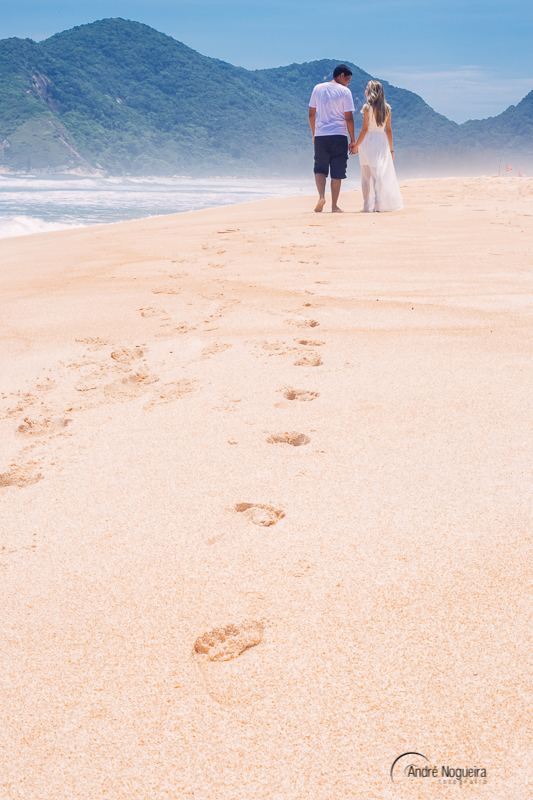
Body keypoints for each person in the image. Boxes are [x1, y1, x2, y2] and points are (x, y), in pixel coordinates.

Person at [308, 65, 356, 213]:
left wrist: (314, 134)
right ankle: (334, 206)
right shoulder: (345, 92)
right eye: (348, 79)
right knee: (337, 172)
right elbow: (348, 118)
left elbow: (311, 114)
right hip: (339, 135)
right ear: (341, 75)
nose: (348, 83)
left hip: (321, 135)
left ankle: (321, 196)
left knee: (320, 169)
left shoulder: (317, 88)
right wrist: (353, 140)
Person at [352, 80, 403, 212]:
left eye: (366, 88)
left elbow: (364, 129)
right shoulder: (387, 108)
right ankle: (377, 202)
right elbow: (389, 130)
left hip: (368, 140)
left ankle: (365, 205)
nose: (365, 91)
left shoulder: (367, 107)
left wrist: (356, 145)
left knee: (366, 175)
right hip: (381, 140)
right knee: (377, 173)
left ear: (371, 91)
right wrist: (391, 150)